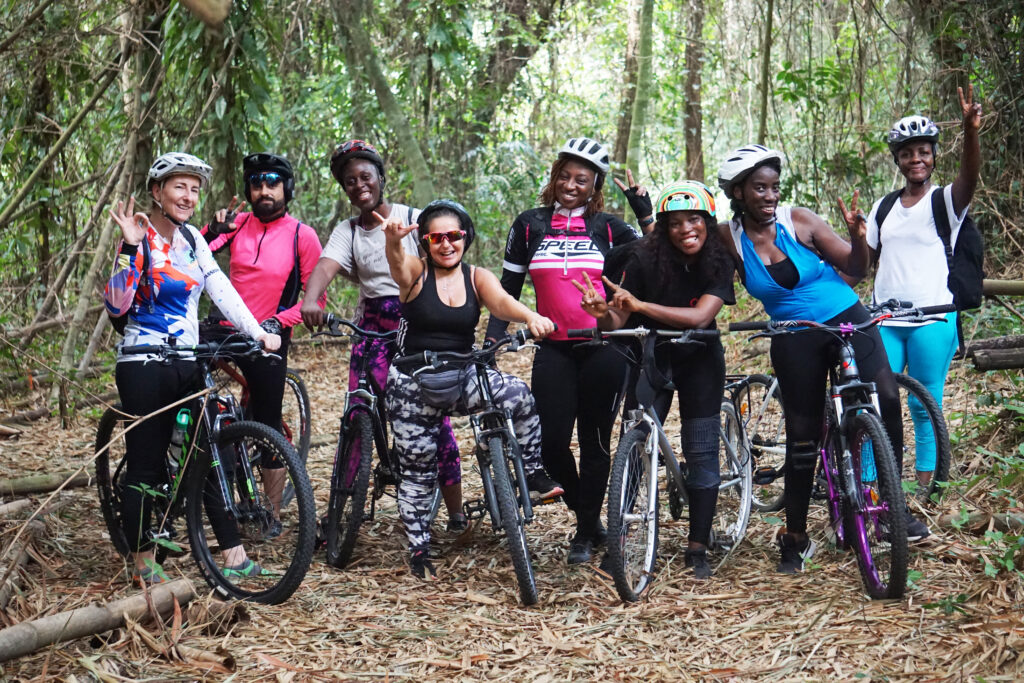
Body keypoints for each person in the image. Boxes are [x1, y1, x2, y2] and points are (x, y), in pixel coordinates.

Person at [715, 144, 914, 574]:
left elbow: (855, 267)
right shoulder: (726, 238)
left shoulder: (799, 220)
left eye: (774, 187)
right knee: (802, 437)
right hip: (793, 335)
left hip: (848, 318)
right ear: (737, 192)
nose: (769, 196)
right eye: (759, 188)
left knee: (886, 399)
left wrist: (859, 237)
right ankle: (795, 537)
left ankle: (895, 505)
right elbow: (685, 254)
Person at [103, 152, 282, 584]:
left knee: (209, 452)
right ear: (157, 192)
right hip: (144, 362)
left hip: (187, 359)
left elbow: (219, 287)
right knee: (146, 461)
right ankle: (144, 565)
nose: (188, 196)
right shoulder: (140, 237)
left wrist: (257, 332)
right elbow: (115, 307)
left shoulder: (192, 241)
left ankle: (233, 555)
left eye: (195, 189)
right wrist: (129, 247)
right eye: (179, 186)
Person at [485, 137, 648, 565]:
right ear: (554, 176)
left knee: (594, 442)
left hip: (604, 347)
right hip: (553, 348)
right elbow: (508, 289)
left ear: (595, 186)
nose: (570, 185)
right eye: (565, 175)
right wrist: (491, 341)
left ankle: (583, 534)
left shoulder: (609, 227)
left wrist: (642, 209)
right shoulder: (529, 225)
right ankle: (590, 519)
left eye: (582, 179)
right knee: (551, 444)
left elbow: (656, 253)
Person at [383, 199, 564, 577]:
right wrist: (392, 242)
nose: (446, 244)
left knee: (518, 394)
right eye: (437, 238)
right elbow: (398, 268)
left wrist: (531, 316)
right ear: (426, 242)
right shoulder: (416, 272)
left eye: (454, 235)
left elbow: (501, 302)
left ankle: (530, 474)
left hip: (463, 376)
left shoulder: (476, 276)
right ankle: (419, 550)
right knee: (417, 470)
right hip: (412, 384)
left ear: (465, 237)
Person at [300, 140, 466, 530]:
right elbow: (327, 264)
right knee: (357, 413)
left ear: (381, 178)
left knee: (431, 413)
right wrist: (311, 298)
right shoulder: (349, 230)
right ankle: (339, 515)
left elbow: (447, 258)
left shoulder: (413, 218)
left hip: (417, 320)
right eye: (349, 180)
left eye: (366, 177)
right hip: (372, 325)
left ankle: (457, 512)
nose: (359, 185)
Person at [574, 180, 735, 579]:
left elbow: (701, 317)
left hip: (700, 357)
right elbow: (619, 318)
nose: (686, 230)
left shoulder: (719, 259)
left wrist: (642, 305)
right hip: (652, 356)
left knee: (701, 450)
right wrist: (601, 313)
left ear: (708, 221)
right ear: (663, 227)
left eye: (694, 220)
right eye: (675, 223)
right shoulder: (641, 259)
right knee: (635, 443)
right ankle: (622, 539)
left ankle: (698, 546)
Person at [853, 86, 982, 490]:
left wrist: (969, 130)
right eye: (907, 153)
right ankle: (877, 491)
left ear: (933, 156)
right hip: (886, 319)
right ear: (897, 159)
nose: (916, 159)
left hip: (934, 316)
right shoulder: (883, 207)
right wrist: (855, 236)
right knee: (876, 403)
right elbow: (862, 264)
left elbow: (970, 177)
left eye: (923, 151)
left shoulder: (945, 201)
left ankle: (927, 487)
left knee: (924, 406)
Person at [201, 152, 324, 527]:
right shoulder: (236, 226)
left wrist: (276, 323)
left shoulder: (303, 236)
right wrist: (211, 229)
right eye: (256, 184)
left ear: (286, 188)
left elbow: (313, 298)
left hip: (269, 334)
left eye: (272, 183)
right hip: (224, 328)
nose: (264, 191)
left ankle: (270, 513)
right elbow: (192, 256)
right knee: (183, 385)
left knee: (267, 423)